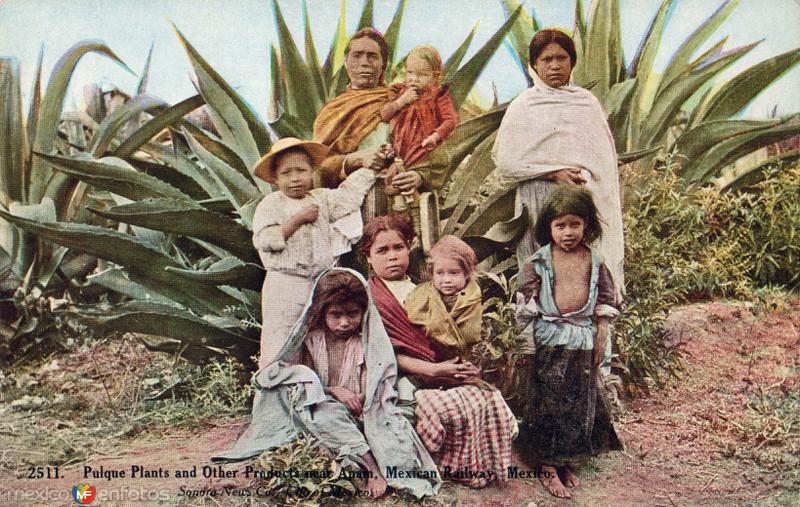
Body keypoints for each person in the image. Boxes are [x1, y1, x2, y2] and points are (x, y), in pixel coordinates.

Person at [213, 269, 441, 500]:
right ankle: (371, 468)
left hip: (358, 412)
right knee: (321, 410)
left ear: (363, 312)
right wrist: (334, 391)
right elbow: (307, 384)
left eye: (353, 314)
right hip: (322, 411)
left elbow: (372, 388)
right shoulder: (312, 341)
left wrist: (356, 397)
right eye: (336, 315)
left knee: (358, 423)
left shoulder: (365, 344)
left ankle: (369, 459)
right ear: (322, 313)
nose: (344, 322)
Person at [361, 215, 516, 489]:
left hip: (441, 368)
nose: (392, 257)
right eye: (382, 251)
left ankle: (475, 461)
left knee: (486, 398)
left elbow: (451, 337)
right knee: (422, 405)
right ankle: (436, 463)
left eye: (398, 247)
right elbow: (382, 354)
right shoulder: (370, 298)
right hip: (400, 375)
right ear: (368, 258)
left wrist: (460, 366)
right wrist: (434, 370)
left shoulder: (425, 289)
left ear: (410, 247)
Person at [492, 28, 625, 304]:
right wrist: (552, 172)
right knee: (539, 273)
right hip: (537, 201)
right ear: (534, 65)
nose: (554, 65)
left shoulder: (586, 103)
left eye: (561, 58)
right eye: (546, 59)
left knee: (582, 272)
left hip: (581, 205)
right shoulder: (524, 106)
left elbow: (603, 162)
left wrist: (587, 187)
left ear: (572, 62)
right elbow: (507, 162)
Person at [515, 186, 623, 499]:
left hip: (583, 341)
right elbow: (524, 308)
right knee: (550, 403)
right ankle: (547, 466)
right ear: (548, 227)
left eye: (575, 224)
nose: (568, 232)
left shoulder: (595, 260)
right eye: (560, 225)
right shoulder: (539, 263)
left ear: (587, 224)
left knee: (579, 404)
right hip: (549, 342)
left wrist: (601, 334)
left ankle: (566, 461)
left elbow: (605, 300)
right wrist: (526, 349)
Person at [251, 137, 378, 368]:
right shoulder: (271, 204)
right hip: (286, 284)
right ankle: (277, 397)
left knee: (317, 340)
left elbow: (348, 197)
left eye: (301, 170)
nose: (295, 178)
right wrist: (298, 220)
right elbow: (265, 239)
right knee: (281, 342)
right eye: (286, 173)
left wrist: (372, 168)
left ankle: (312, 395)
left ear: (312, 171)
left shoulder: (321, 198)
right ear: (275, 178)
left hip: (320, 283)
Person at [313, 29, 445, 216]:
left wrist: (419, 175)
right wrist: (353, 160)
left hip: (401, 207)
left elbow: (437, 152)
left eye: (372, 56)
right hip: (347, 212)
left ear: (384, 64)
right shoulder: (332, 112)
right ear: (346, 62)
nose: (364, 62)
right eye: (357, 56)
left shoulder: (408, 101)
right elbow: (318, 169)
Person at [403, 235, 481, 361]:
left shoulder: (472, 298)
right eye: (440, 273)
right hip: (428, 357)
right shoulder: (422, 295)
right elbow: (413, 318)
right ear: (432, 274)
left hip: (464, 358)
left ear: (466, 273)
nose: (446, 280)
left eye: (454, 273)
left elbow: (471, 335)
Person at [381, 45, 458, 168]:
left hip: (421, 147)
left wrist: (435, 136)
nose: (414, 79)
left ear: (435, 76)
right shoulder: (400, 91)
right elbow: (384, 115)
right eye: (410, 73)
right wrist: (401, 101)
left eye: (421, 75)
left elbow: (451, 120)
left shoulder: (438, 96)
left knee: (404, 176)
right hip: (396, 146)